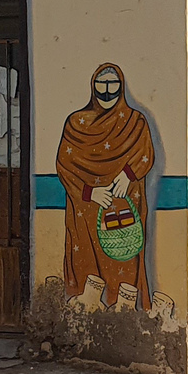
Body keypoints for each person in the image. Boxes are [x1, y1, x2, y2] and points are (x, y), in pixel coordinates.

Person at [57, 63, 157, 310]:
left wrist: (128, 174)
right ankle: (86, 312)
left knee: (125, 261)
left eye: (113, 85)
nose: (107, 92)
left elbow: (146, 154)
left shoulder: (135, 122)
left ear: (121, 87)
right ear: (93, 87)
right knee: (85, 262)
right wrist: (90, 192)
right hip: (86, 211)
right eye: (101, 85)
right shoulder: (76, 123)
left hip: (124, 212)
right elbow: (64, 166)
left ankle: (124, 314)